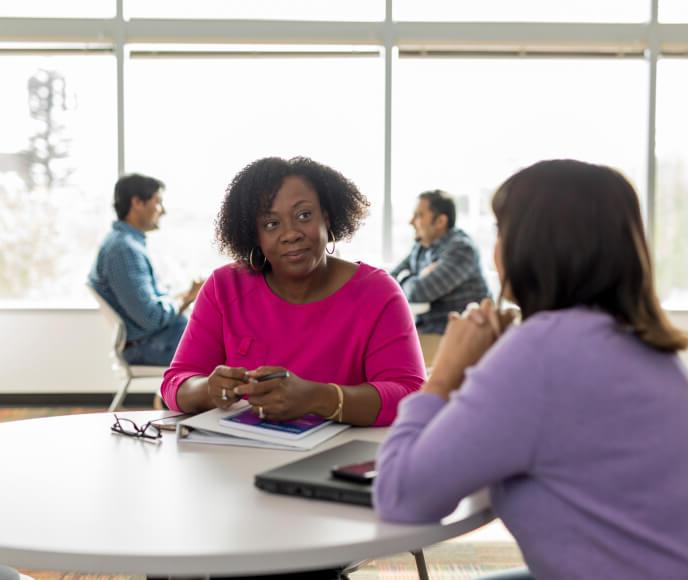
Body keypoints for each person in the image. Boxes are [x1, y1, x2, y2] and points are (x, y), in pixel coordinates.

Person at [374, 160, 688, 580]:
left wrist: (446, 374)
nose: (496, 249)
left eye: (503, 232)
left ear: (531, 245)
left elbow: (402, 497)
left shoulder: (540, 351)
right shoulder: (645, 341)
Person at [89, 173, 202, 366]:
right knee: (232, 345)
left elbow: (149, 306)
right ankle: (175, 394)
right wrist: (187, 298)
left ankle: (172, 394)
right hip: (149, 345)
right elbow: (151, 317)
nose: (163, 211)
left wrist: (188, 295)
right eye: (158, 202)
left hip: (156, 339)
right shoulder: (123, 250)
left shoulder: (127, 244)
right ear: (137, 203)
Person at [390, 190, 490, 364]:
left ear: (441, 221)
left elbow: (421, 291)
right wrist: (416, 277)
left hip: (455, 336)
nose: (411, 221)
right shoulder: (421, 246)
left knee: (389, 356)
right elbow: (389, 282)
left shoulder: (461, 249)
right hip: (427, 329)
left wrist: (407, 279)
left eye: (419, 215)